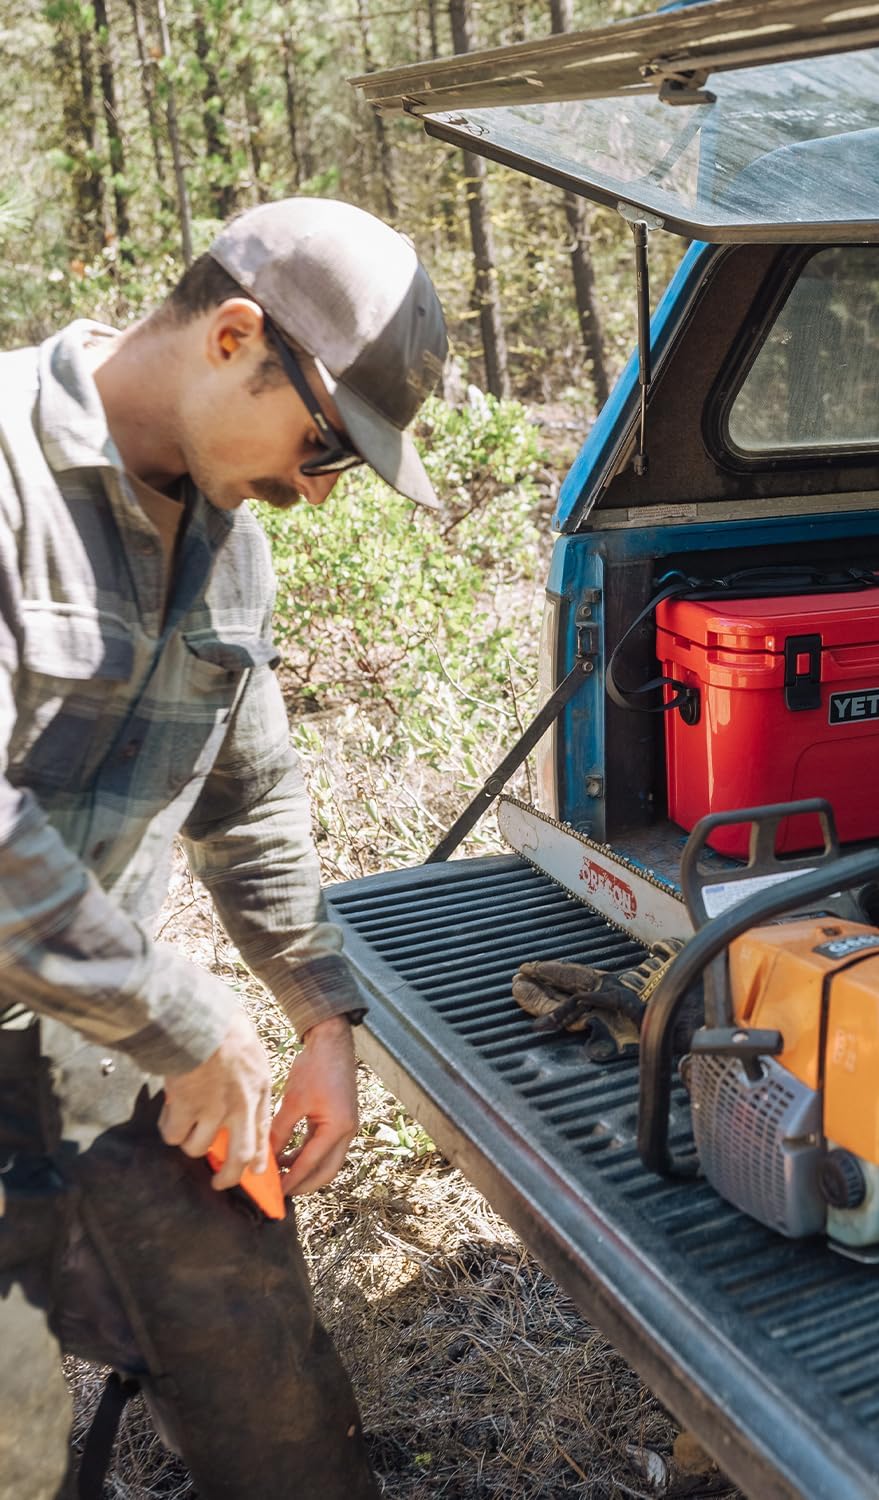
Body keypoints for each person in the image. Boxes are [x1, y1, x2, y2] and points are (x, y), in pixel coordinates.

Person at [0, 197, 448, 1499]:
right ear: (233, 336)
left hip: (93, 1034)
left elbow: (247, 801)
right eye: (325, 443)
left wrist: (319, 1015)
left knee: (266, 1381)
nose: (316, 491)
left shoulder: (227, 539)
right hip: (126, 1014)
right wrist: (192, 1024)